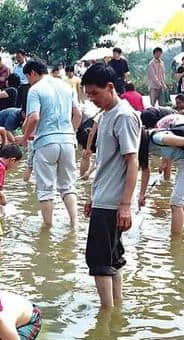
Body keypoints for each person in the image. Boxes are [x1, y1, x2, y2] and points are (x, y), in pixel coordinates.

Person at [82, 63, 140, 309]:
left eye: (95, 93)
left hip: (113, 202)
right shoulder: (107, 114)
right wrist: (93, 197)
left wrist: (125, 204)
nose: (92, 99)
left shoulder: (124, 116)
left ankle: (104, 317)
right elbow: (106, 163)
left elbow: (132, 161)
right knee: (112, 258)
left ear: (109, 87)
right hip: (104, 198)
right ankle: (115, 311)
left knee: (99, 260)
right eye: (89, 95)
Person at [17, 60, 81, 228]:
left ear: (32, 73)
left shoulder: (35, 89)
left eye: (27, 77)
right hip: (67, 141)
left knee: (45, 189)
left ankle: (47, 227)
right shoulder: (66, 87)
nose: (28, 81)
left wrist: (24, 137)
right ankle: (75, 224)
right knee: (67, 187)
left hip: (46, 142)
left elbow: (35, 117)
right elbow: (78, 114)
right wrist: (70, 133)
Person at [138, 114, 184, 234]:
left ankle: (174, 246)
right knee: (179, 202)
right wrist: (141, 195)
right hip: (181, 163)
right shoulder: (147, 145)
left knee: (176, 202)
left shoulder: (157, 138)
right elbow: (145, 170)